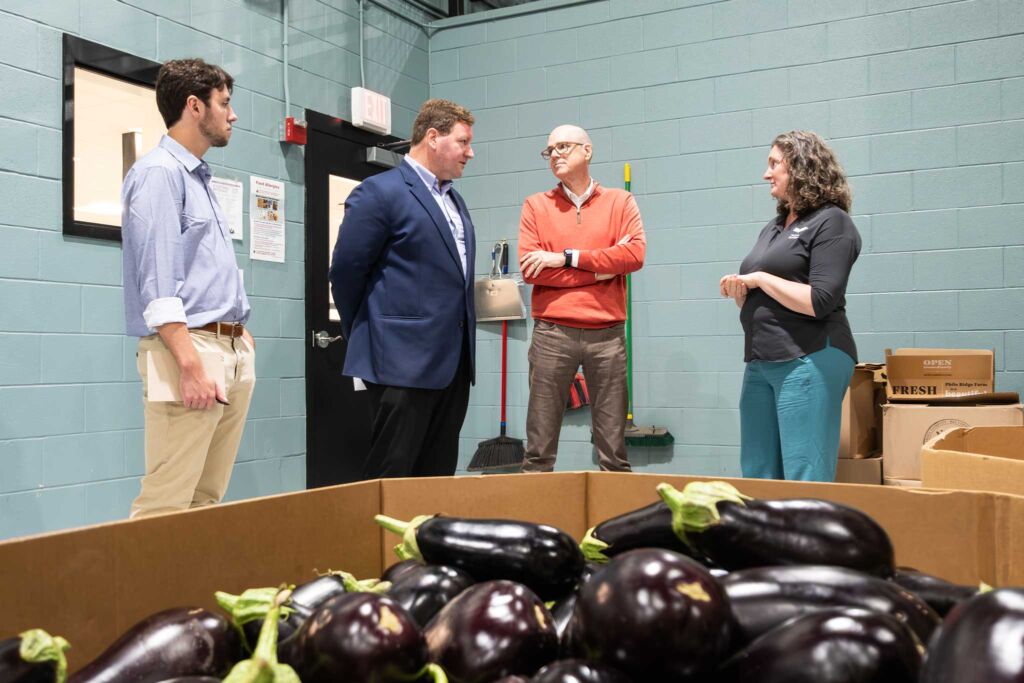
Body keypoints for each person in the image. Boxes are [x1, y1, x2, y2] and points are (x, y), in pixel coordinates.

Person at [122, 58, 255, 518]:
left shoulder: (199, 177)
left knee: (205, 499)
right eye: (225, 103)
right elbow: (157, 282)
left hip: (227, 346)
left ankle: (184, 590)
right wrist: (189, 361)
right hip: (190, 350)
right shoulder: (159, 173)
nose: (232, 115)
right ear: (194, 106)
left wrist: (238, 334)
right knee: (166, 501)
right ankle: (143, 593)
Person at [330, 99, 477, 479]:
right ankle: (374, 541)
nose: (469, 153)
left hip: (452, 365)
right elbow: (345, 273)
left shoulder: (454, 200)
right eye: (463, 142)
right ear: (433, 137)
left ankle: (423, 541)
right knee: (392, 476)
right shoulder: (379, 192)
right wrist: (369, 335)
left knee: (437, 475)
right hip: (399, 363)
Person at [720, 130, 861, 482]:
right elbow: (767, 298)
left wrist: (761, 280)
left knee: (804, 474)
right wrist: (742, 294)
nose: (766, 174)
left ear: (801, 167)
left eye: (774, 164)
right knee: (757, 473)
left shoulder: (832, 221)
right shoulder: (773, 227)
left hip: (809, 356)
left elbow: (820, 300)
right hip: (760, 361)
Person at [518, 124, 646, 473]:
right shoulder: (535, 206)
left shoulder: (620, 202)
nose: (555, 155)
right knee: (539, 450)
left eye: (563, 146)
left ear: (586, 151)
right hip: (552, 335)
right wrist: (604, 269)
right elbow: (533, 271)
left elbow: (634, 256)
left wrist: (566, 257)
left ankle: (614, 526)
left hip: (607, 336)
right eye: (549, 150)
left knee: (614, 452)